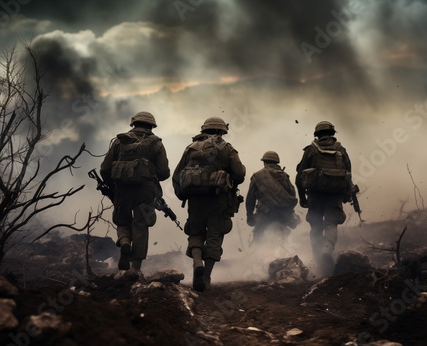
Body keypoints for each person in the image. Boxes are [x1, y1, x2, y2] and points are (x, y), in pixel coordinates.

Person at [172, 116, 246, 292]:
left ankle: (197, 262)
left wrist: (183, 194)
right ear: (221, 131)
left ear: (203, 130)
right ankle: (206, 277)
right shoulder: (226, 148)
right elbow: (240, 174)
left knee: (195, 232)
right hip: (218, 199)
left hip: (195, 200)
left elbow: (177, 175)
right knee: (215, 235)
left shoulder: (191, 148)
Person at [100, 111, 170, 275]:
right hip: (145, 191)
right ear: (151, 126)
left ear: (134, 124)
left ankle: (124, 242)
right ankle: (135, 268)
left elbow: (104, 169)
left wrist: (114, 186)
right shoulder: (156, 144)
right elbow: (164, 173)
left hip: (122, 189)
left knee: (122, 221)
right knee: (141, 224)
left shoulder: (120, 141)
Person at [295, 121, 352, 277]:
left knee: (316, 225)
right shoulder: (341, 150)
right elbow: (348, 174)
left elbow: (299, 176)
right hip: (335, 195)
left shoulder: (311, 150)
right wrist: (347, 194)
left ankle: (317, 259)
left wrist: (302, 197)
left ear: (317, 135)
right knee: (331, 223)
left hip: (315, 194)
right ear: (332, 134)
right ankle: (327, 248)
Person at [245, 151, 300, 243]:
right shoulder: (284, 176)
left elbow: (250, 199)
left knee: (259, 238)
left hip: (265, 214)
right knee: (283, 238)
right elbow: (292, 194)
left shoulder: (258, 176)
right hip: (282, 214)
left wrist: (249, 215)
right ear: (276, 163)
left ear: (265, 162)